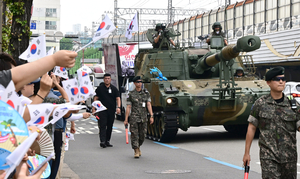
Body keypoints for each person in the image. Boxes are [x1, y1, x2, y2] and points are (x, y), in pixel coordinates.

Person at [242, 66, 300, 179]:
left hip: (289, 158)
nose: (281, 82)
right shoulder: (260, 104)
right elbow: (252, 127)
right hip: (268, 156)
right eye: (277, 79)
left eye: (283, 79)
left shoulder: (293, 106)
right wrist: (246, 153)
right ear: (268, 82)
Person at [124, 76, 154, 158]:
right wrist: (126, 119)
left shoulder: (146, 93)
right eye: (138, 82)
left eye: (140, 82)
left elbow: (148, 104)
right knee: (134, 134)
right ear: (134, 83)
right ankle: (136, 149)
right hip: (134, 117)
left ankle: (138, 146)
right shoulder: (131, 94)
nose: (139, 83)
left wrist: (151, 115)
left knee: (142, 135)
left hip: (143, 118)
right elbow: (129, 107)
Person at [94, 73, 121, 148]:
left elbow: (118, 98)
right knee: (102, 125)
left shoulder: (114, 88)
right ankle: (102, 141)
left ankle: (107, 140)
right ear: (103, 79)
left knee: (109, 125)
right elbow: (96, 98)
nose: (107, 80)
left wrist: (118, 107)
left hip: (111, 110)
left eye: (108, 78)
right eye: (106, 78)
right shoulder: (100, 88)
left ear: (110, 80)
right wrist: (94, 108)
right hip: (102, 110)